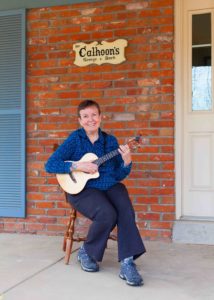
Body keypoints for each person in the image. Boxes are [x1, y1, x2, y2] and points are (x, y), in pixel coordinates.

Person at [45, 99, 146, 286]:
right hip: (82, 189)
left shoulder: (111, 141)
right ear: (79, 120)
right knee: (106, 213)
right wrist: (77, 165)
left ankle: (127, 262)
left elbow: (118, 174)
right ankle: (87, 252)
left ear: (100, 117)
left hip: (109, 185)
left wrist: (126, 161)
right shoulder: (75, 139)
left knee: (125, 209)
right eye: (85, 116)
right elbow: (50, 164)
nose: (90, 119)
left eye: (94, 115)